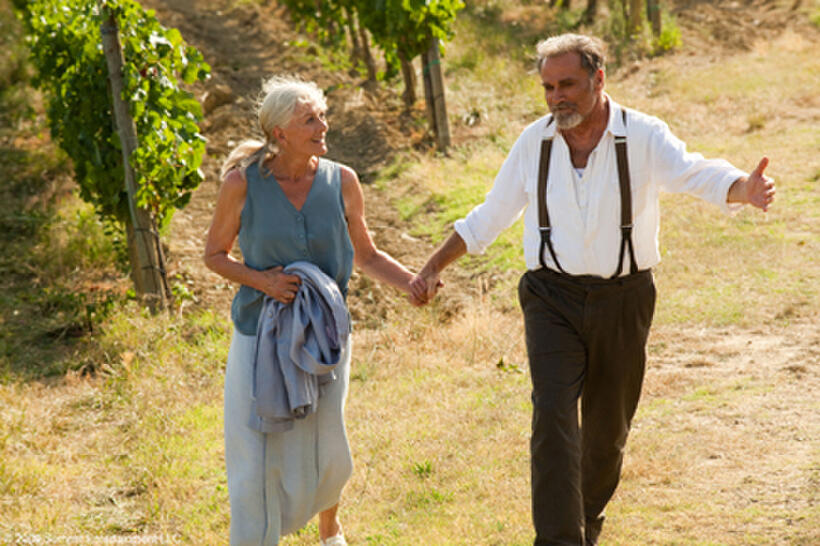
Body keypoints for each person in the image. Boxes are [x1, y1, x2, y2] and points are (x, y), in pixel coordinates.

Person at [412, 33, 775, 545]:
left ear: (599, 79)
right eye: (547, 87)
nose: (556, 97)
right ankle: (559, 539)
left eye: (568, 84)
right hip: (550, 298)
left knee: (606, 434)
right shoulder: (533, 143)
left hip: (624, 300)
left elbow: (694, 172)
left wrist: (744, 189)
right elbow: (489, 215)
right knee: (553, 415)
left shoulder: (642, 135)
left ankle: (587, 518)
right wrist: (431, 266)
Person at [204, 75, 427, 546]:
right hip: (258, 334)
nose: (323, 125)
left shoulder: (342, 180)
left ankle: (329, 526)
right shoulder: (241, 183)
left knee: (328, 443)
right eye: (310, 119)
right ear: (279, 133)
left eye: (322, 115)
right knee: (255, 447)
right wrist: (263, 281)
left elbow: (365, 255)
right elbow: (214, 255)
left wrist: (411, 281)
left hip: (325, 335)